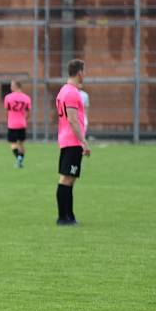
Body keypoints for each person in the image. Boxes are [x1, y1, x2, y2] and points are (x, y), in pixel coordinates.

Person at [55, 59, 90, 226]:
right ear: (79, 73)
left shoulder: (64, 90)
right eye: (84, 71)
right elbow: (73, 120)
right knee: (66, 179)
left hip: (68, 140)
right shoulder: (71, 92)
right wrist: (83, 142)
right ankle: (63, 217)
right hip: (72, 141)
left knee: (69, 179)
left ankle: (69, 216)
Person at [3, 79, 31, 168]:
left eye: (11, 85)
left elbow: (6, 111)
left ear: (15, 86)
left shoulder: (8, 97)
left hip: (12, 124)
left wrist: (9, 119)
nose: (11, 87)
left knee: (13, 143)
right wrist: (23, 119)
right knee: (21, 144)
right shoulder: (27, 98)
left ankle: (18, 158)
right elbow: (28, 113)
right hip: (22, 124)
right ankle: (20, 161)